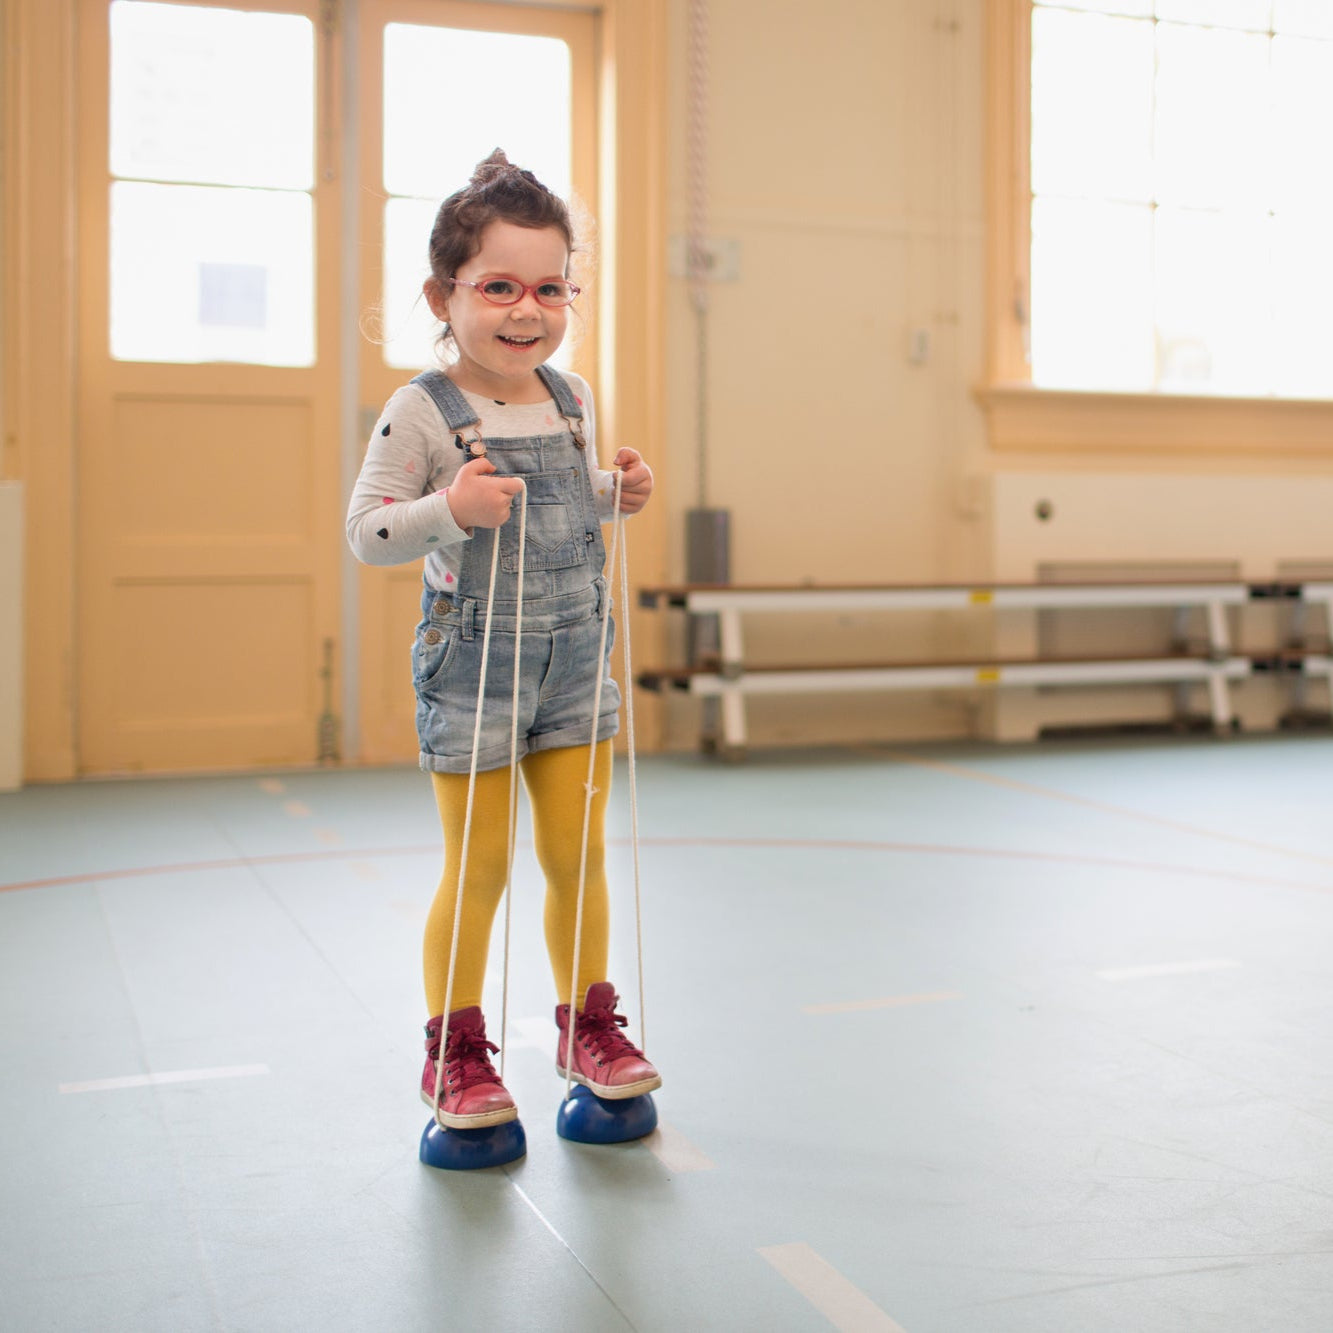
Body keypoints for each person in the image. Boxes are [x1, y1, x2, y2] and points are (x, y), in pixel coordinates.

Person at [347, 150, 660, 1131]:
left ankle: (587, 1027)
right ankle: (454, 1051)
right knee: (480, 864)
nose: (528, 311)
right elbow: (367, 532)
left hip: (574, 663)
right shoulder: (419, 409)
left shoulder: (572, 397)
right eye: (499, 288)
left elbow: (557, 510)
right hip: (474, 670)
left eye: (550, 288)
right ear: (443, 295)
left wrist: (615, 493)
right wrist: (449, 507)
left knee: (579, 856)